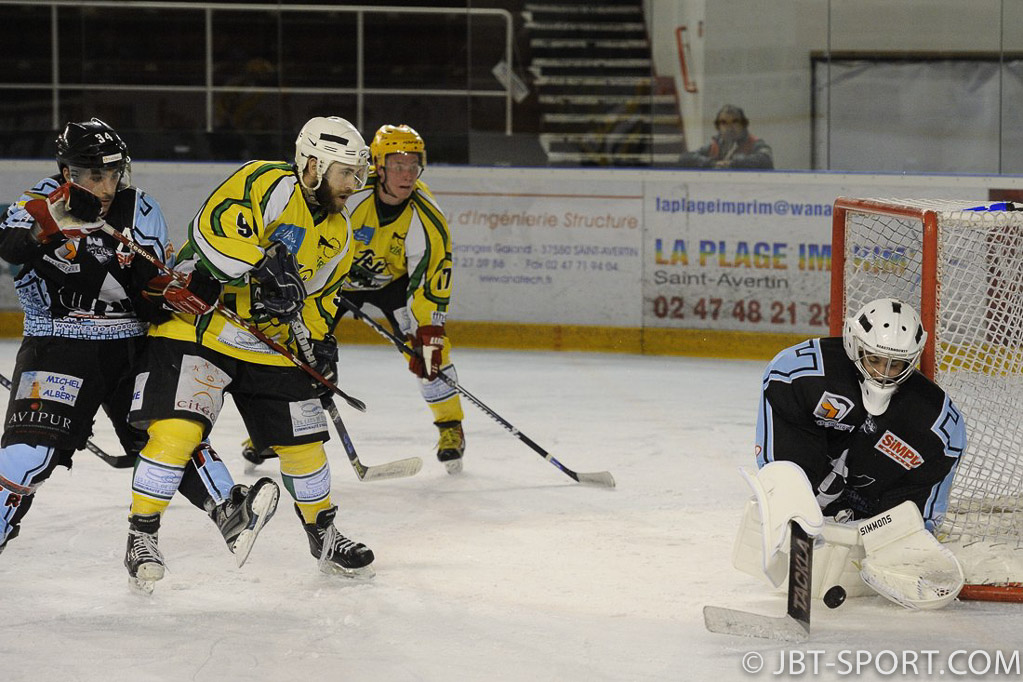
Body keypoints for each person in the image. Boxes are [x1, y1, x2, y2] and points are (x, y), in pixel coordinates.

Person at [0, 118, 279, 572]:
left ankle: (229, 507)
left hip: (132, 344)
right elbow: (10, 246)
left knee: (171, 432)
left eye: (113, 174)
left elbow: (150, 292)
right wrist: (47, 224)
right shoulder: (38, 202)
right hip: (57, 344)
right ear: (68, 172)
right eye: (94, 175)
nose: (106, 186)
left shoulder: (140, 210)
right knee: (28, 454)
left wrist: (175, 294)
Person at [126, 115, 375, 589]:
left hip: (269, 342)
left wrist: (317, 344)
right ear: (313, 166)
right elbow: (211, 233)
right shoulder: (268, 181)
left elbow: (319, 299)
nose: (354, 184)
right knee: (177, 433)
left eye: (358, 174)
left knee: (305, 446)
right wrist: (261, 265)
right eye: (347, 172)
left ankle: (323, 534)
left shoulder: (339, 232)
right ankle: (142, 536)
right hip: (198, 325)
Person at [241, 124, 465, 474]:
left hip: (395, 285)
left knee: (431, 351)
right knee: (299, 345)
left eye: (413, 165)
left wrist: (428, 331)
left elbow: (431, 283)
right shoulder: (351, 195)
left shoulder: (427, 217)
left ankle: (450, 427)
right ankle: (273, 431)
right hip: (337, 278)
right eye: (397, 165)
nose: (406, 174)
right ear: (377, 165)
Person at [734, 298, 968, 609]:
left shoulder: (937, 426)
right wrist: (791, 498)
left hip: (865, 517)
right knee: (790, 489)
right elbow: (784, 454)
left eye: (896, 364)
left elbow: (917, 512)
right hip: (819, 486)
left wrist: (896, 537)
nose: (884, 373)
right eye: (875, 359)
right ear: (855, 346)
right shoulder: (802, 374)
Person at [680, 104, 774, 169]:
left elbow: (765, 160)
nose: (729, 127)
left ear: (743, 124)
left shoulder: (755, 143)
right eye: (724, 123)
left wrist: (732, 164)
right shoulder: (714, 145)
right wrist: (712, 163)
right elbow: (685, 158)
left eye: (735, 122)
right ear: (718, 127)